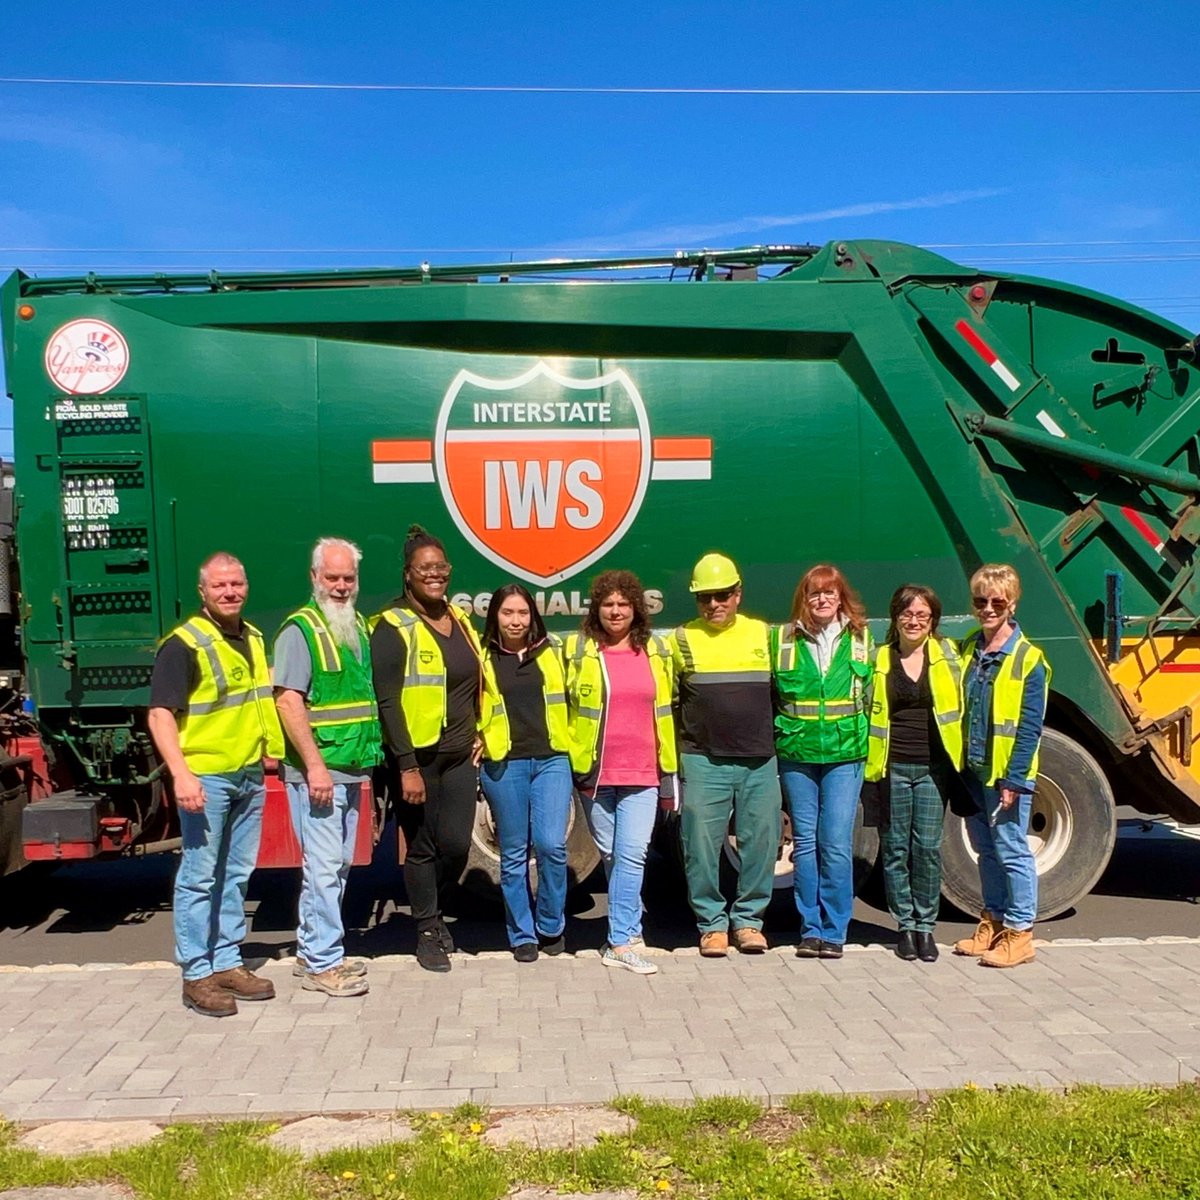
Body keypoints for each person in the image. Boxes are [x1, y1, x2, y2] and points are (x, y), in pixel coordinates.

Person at [147, 552, 285, 1017]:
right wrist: (181, 773)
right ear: (203, 592)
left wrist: (268, 747)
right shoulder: (184, 644)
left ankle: (227, 961)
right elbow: (160, 713)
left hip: (247, 774)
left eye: (237, 584)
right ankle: (196, 973)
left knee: (235, 874)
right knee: (200, 877)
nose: (230, 592)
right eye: (220, 586)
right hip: (206, 777)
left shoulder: (251, 637)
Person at [371, 526, 483, 973]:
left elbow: (477, 683)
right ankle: (427, 929)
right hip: (419, 759)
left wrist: (482, 731)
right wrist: (406, 766)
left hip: (459, 753)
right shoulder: (392, 625)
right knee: (422, 847)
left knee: (456, 845)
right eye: (425, 569)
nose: (435, 575)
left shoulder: (459, 619)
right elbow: (388, 701)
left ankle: (431, 905)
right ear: (408, 575)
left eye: (441, 567)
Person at [273, 538, 381, 998]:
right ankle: (323, 963)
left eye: (348, 579)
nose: (341, 586)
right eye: (332, 578)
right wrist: (314, 767)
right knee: (322, 867)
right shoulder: (300, 630)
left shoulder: (356, 625)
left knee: (333, 867)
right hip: (318, 772)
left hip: (351, 767)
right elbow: (287, 699)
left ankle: (312, 951)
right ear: (314, 578)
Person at [565, 569, 677, 976]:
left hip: (644, 771)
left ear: (636, 609)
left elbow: (669, 706)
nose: (615, 611)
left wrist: (671, 767)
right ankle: (626, 924)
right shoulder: (581, 652)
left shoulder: (656, 652)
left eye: (623, 604)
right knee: (613, 855)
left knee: (632, 854)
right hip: (595, 774)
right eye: (608, 604)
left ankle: (622, 939)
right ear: (597, 609)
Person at [670, 553, 780, 958]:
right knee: (699, 844)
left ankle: (749, 921)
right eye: (705, 598)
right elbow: (669, 699)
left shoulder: (764, 635)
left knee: (761, 843)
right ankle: (711, 925)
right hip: (704, 759)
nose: (714, 605)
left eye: (722, 596)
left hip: (758, 758)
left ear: (738, 594)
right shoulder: (680, 639)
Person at [772, 564, 873, 961]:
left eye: (829, 592)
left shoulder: (863, 639)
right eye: (814, 593)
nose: (822, 599)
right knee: (807, 844)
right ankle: (810, 929)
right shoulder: (783, 639)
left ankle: (835, 930)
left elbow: (874, 699)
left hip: (845, 755)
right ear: (804, 597)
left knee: (834, 841)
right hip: (798, 753)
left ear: (840, 596)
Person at [952, 564, 1050, 969]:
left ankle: (1020, 933)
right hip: (973, 768)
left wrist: (1014, 777)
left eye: (997, 601)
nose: (988, 608)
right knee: (986, 850)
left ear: (1012, 604)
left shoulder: (1029, 659)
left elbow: (1029, 727)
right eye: (981, 601)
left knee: (1012, 851)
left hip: (1006, 773)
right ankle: (991, 922)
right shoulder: (971, 646)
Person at [865, 585, 963, 964]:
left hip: (933, 769)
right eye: (907, 613)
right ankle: (904, 927)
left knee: (927, 849)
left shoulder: (947, 657)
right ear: (895, 617)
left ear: (933, 621)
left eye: (922, 615)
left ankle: (926, 927)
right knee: (894, 850)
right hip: (892, 768)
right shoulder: (881, 660)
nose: (914, 621)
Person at [478, 583, 573, 962]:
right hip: (505, 763)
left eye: (522, 613)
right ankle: (522, 934)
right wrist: (474, 735)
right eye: (507, 613)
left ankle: (550, 924)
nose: (515, 621)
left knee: (552, 845)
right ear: (495, 617)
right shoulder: (481, 655)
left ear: (533, 616)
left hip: (551, 759)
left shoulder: (553, 652)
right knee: (513, 853)